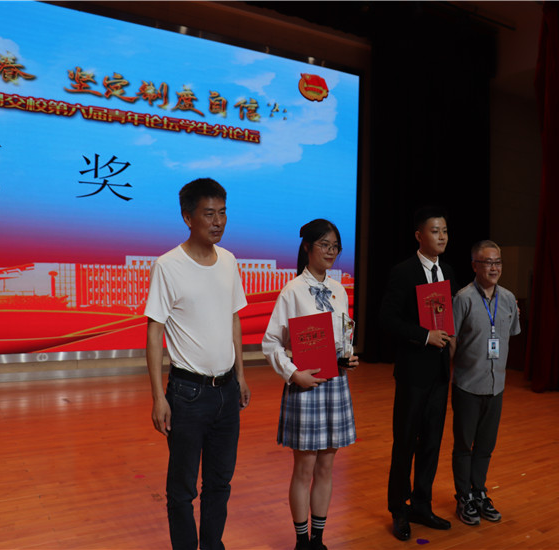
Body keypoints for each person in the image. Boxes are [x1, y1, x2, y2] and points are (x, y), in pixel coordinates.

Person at [144, 177, 251, 550]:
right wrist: (158, 397)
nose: (218, 221)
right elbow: (154, 332)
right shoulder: (168, 266)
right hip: (187, 394)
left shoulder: (229, 261)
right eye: (209, 213)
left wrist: (240, 375)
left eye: (223, 212)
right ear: (187, 217)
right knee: (182, 490)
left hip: (227, 391)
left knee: (220, 483)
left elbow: (234, 318)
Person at [262, 219, 358, 550]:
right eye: (324, 245)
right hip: (305, 385)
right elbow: (271, 343)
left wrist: (347, 357)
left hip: (336, 384)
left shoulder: (339, 290)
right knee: (304, 469)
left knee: (327, 467)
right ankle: (301, 541)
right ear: (307, 247)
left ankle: (318, 539)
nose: (331, 252)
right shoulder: (292, 291)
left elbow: (343, 337)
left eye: (335, 247)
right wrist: (293, 374)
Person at [380, 207, 458, 541]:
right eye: (435, 231)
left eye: (445, 231)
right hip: (413, 373)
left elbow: (448, 316)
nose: (442, 237)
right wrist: (425, 336)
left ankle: (422, 505)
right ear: (419, 236)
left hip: (439, 373)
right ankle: (399, 508)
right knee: (405, 443)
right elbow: (388, 320)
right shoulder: (403, 271)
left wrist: (451, 338)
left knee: (431, 443)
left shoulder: (447, 272)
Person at [451, 240, 520, 526]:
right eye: (487, 262)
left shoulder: (509, 299)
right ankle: (463, 497)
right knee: (464, 446)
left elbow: (510, 333)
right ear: (474, 266)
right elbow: (452, 340)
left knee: (485, 446)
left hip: (496, 386)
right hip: (467, 385)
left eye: (497, 262)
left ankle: (479, 492)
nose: (494, 268)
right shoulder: (463, 298)